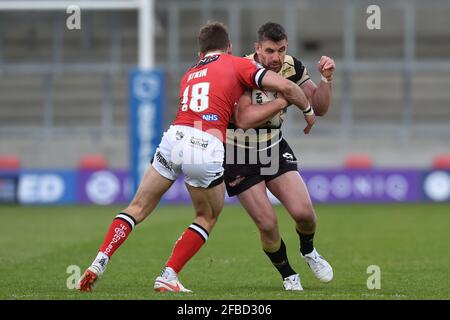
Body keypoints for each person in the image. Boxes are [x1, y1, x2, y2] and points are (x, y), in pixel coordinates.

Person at [77, 21, 315, 293]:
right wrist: (306, 111)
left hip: (174, 138)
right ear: (230, 47)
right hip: (205, 143)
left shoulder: (190, 72)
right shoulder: (238, 63)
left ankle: (99, 260)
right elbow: (288, 87)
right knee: (206, 216)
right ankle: (168, 274)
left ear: (201, 53)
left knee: (137, 208)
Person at [224, 22, 335, 291]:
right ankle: (288, 274)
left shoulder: (292, 67)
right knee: (268, 224)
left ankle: (308, 251)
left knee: (305, 214)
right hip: (240, 151)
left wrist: (327, 80)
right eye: (270, 51)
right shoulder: (241, 68)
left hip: (273, 146)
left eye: (281, 50)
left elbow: (318, 108)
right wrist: (286, 98)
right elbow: (244, 120)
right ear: (257, 48)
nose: (276, 58)